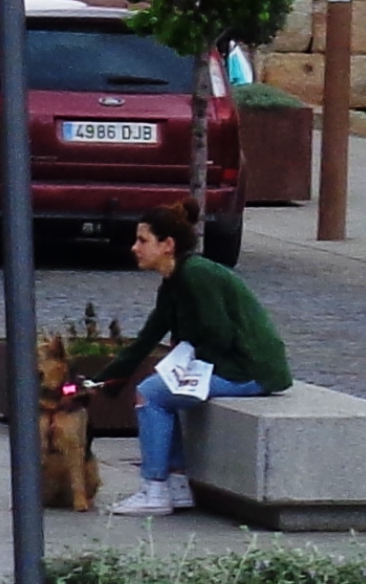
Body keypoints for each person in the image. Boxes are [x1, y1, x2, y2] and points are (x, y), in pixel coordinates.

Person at [99, 199, 291, 516]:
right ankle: (176, 485)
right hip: (230, 366)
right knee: (161, 391)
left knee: (150, 394)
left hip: (250, 371)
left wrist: (189, 371)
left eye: (143, 240)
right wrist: (106, 379)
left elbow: (219, 334)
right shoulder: (174, 281)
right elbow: (148, 336)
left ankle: (155, 489)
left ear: (168, 245)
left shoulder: (197, 276)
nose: (135, 248)